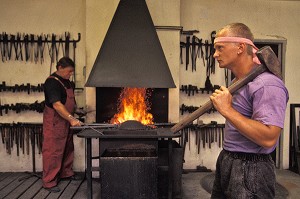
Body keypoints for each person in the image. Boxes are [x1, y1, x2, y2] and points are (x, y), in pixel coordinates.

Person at [209, 23, 289, 199]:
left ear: (240, 47)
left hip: (251, 168)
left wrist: (227, 110)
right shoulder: (240, 81)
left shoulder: (267, 85)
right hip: (228, 159)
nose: (215, 54)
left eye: (220, 48)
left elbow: (269, 138)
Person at [42, 57, 83, 192]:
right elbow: (57, 105)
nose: (70, 74)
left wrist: (78, 111)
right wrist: (71, 119)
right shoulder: (52, 83)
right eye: (68, 71)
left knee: (67, 147)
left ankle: (66, 172)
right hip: (55, 122)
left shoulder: (68, 83)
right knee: (53, 151)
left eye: (72, 72)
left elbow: (69, 101)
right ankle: (49, 181)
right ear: (59, 67)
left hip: (66, 121)